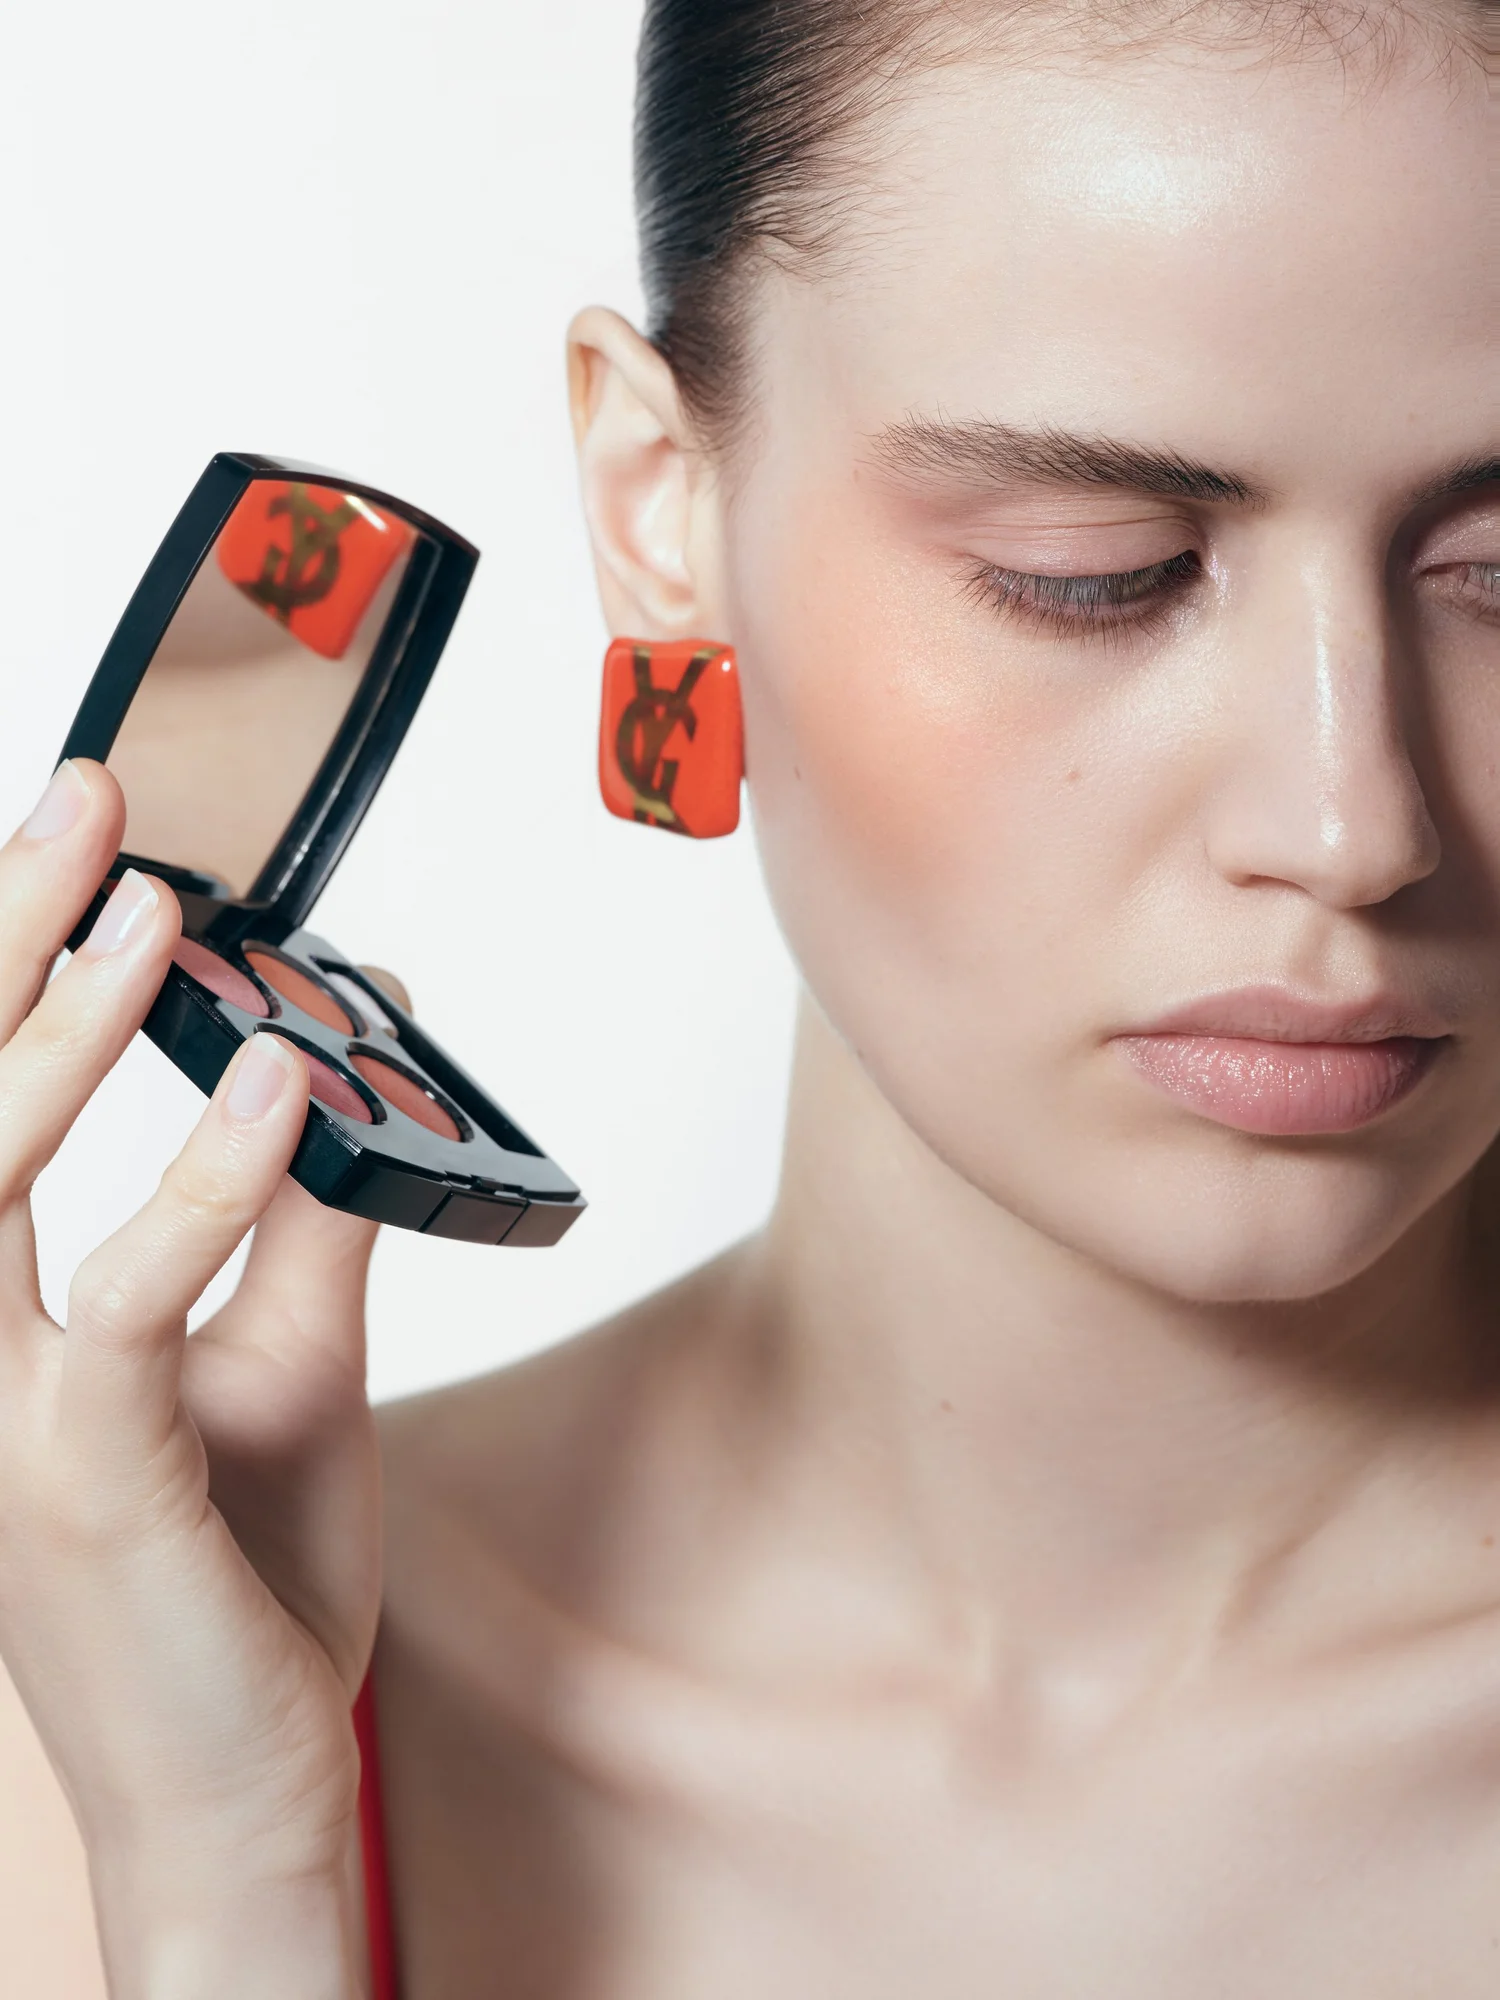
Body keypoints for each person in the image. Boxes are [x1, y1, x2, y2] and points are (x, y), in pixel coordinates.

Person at [0, 0, 1495, 1990]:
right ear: (661, 509)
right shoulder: (126, 1693)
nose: (1351, 821)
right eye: (1098, 567)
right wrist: (220, 1884)